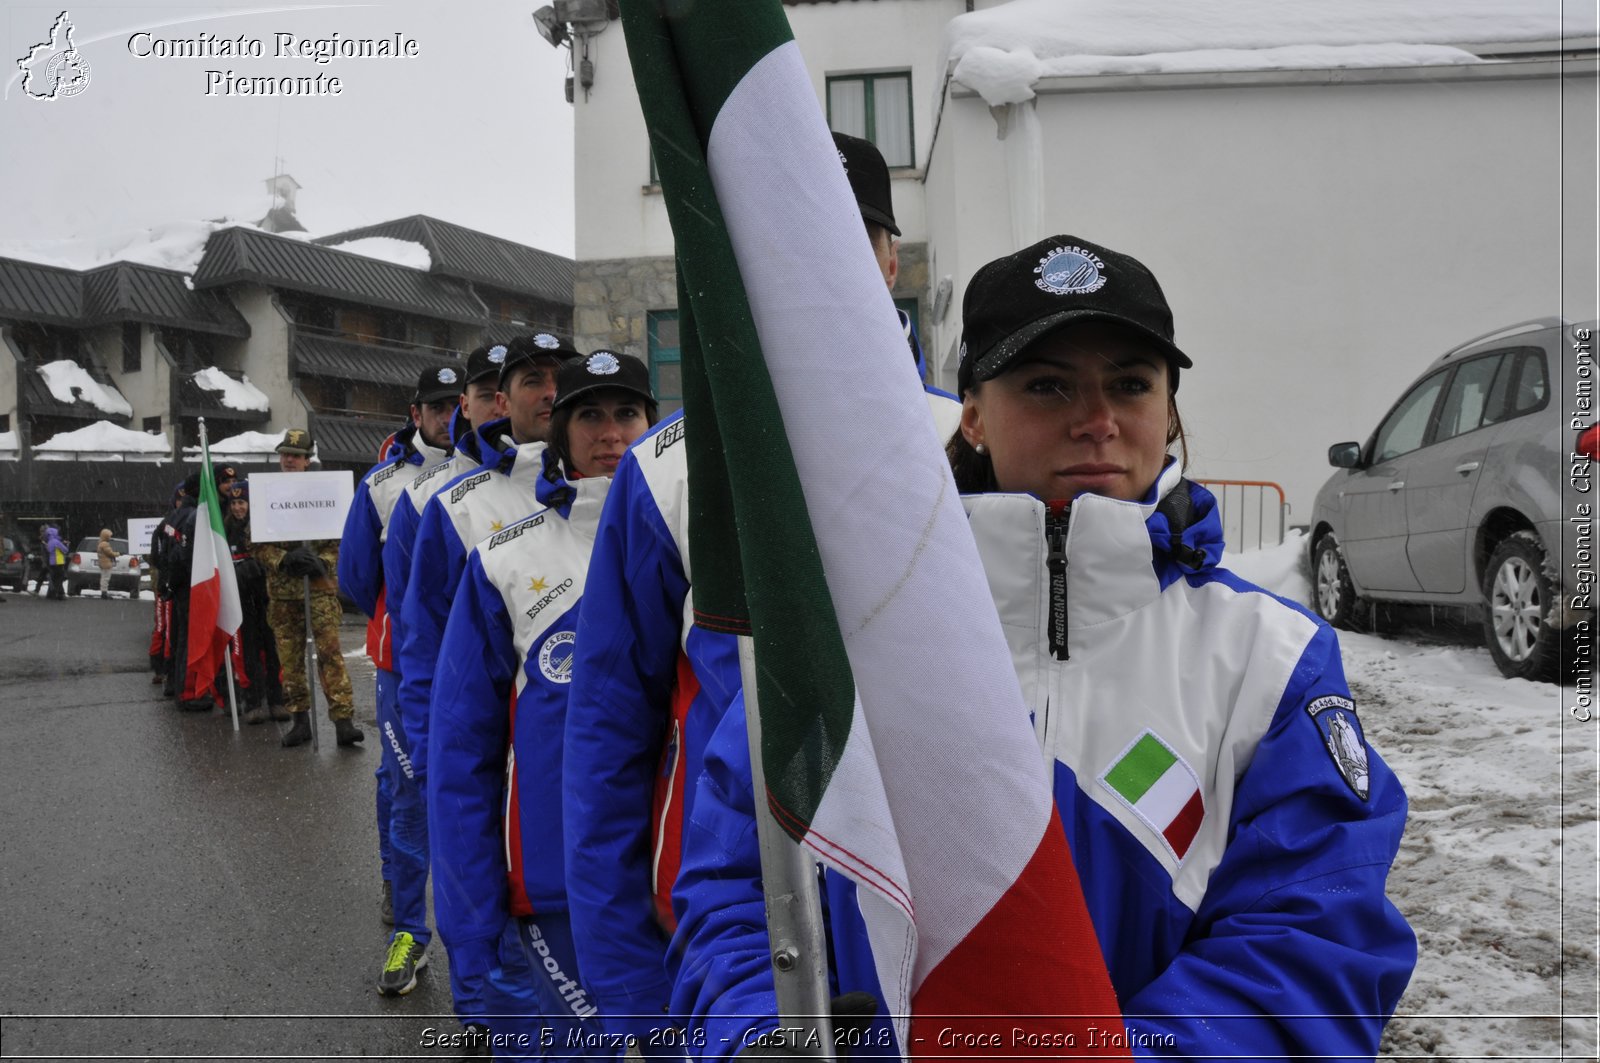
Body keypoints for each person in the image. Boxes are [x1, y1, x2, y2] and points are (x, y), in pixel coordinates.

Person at [670, 235, 1417, 1059]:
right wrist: (756, 1037)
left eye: (1130, 384)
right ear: (976, 414)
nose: (1095, 420)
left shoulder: (1268, 659)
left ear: (1169, 410)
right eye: (1047, 384)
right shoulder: (843, 642)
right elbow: (739, 889)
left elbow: (1314, 933)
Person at [561, 130, 958, 1056]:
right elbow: (608, 743)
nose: (812, 257)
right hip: (729, 940)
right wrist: (630, 995)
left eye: (845, 233)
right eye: (783, 233)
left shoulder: (968, 444)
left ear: (890, 256)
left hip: (931, 922)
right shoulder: (664, 473)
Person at [431, 352, 659, 1059]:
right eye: (589, 414)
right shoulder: (503, 560)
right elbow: (460, 755)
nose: (611, 432)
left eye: (627, 413)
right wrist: (470, 923)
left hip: (686, 885)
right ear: (558, 433)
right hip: (559, 894)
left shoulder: (700, 544)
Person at [389, 334, 568, 1042]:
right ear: (500, 399)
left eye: (561, 377)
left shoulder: (612, 487)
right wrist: (435, 753)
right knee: (484, 894)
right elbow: (422, 641)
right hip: (487, 749)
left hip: (576, 750)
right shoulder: (452, 503)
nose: (549, 392)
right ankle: (483, 1014)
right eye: (532, 380)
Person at [338, 365, 458, 996]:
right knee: (404, 785)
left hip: (475, 663)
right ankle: (407, 919)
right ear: (416, 413)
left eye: (457, 403)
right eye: (437, 407)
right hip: (399, 661)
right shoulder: (384, 484)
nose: (448, 415)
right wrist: (400, 616)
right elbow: (356, 575)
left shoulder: (500, 475)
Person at [252, 428, 361, 748]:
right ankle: (300, 720)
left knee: (331, 654)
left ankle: (343, 722)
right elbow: (254, 542)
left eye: (296, 455)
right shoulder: (265, 492)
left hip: (319, 589)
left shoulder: (327, 490)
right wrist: (283, 559)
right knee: (291, 659)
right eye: (285, 454)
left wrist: (321, 561)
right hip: (284, 593)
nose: (289, 460)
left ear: (307, 460)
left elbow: (342, 538)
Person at [224, 481, 286, 725]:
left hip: (266, 598)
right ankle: (252, 702)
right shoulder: (226, 529)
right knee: (246, 652)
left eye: (242, 502)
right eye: (235, 503)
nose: (239, 508)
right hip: (240, 602)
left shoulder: (264, 526)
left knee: (273, 650)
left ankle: (276, 700)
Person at [42, 524, 67, 600]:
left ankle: (54, 593)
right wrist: (66, 545)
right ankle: (59, 593)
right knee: (59, 578)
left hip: (52, 563)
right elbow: (65, 550)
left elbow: (49, 551)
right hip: (59, 562)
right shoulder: (57, 542)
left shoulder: (49, 542)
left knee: (54, 578)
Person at [96, 529, 120, 598]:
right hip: (106, 564)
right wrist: (118, 554)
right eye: (109, 536)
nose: (110, 538)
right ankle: (104, 593)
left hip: (102, 563)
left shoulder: (100, 543)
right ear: (105, 536)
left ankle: (103, 592)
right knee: (106, 578)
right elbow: (110, 553)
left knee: (103, 577)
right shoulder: (105, 544)